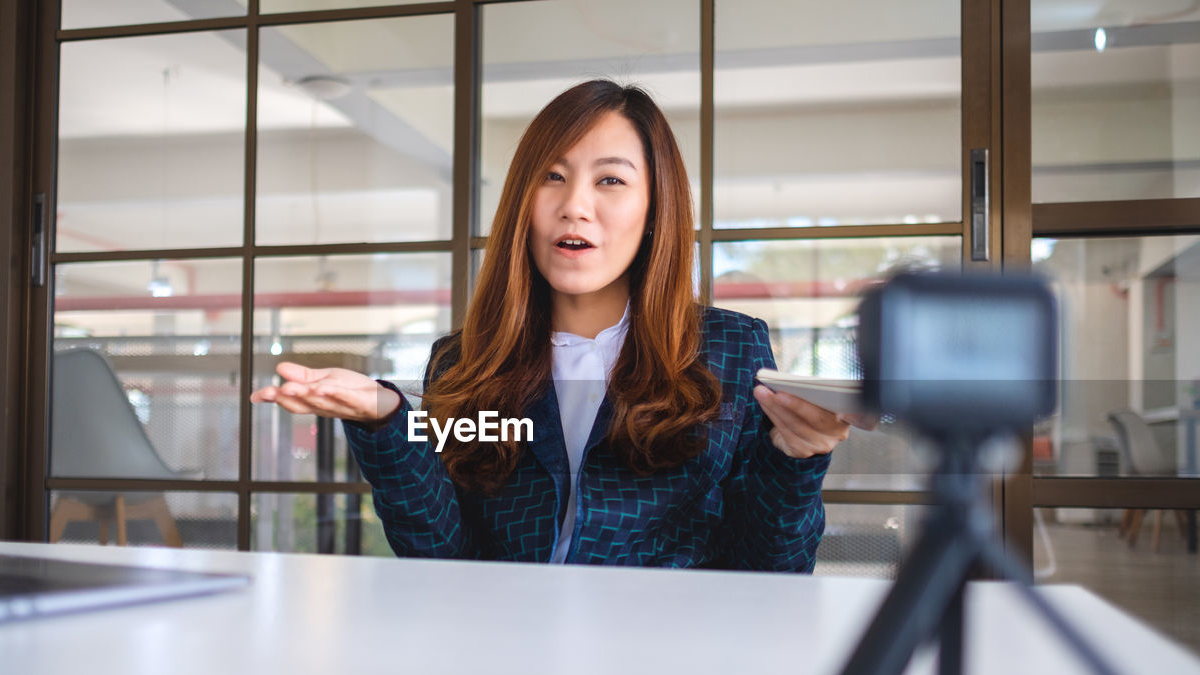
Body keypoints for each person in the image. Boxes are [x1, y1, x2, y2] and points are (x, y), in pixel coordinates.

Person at [251, 79, 857, 571]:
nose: (575, 204)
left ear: (654, 211)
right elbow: (439, 556)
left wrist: (795, 459)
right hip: (505, 658)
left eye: (611, 180)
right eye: (553, 176)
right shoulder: (465, 364)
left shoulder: (727, 349)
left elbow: (771, 571)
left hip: (665, 668)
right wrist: (387, 421)